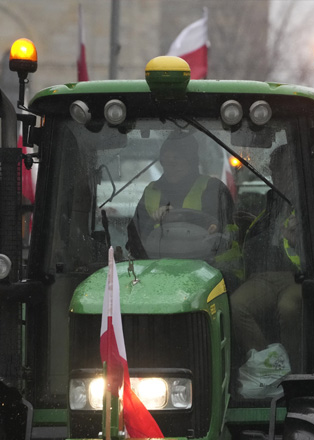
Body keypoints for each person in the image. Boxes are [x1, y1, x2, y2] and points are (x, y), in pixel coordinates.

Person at [229, 146, 304, 383]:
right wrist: (252, 227)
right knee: (236, 305)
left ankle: (297, 374)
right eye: (275, 169)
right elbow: (275, 235)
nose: (278, 174)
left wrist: (300, 237)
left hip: (300, 276)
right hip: (265, 276)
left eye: (285, 168)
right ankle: (269, 367)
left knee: (289, 307)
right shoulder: (275, 199)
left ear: (298, 168)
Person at [126, 132, 234, 260]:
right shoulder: (151, 191)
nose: (171, 166)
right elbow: (135, 238)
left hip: (206, 265)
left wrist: (181, 218)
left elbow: (227, 234)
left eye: (178, 159)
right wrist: (154, 221)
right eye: (167, 160)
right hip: (157, 264)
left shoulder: (213, 189)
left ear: (192, 161)